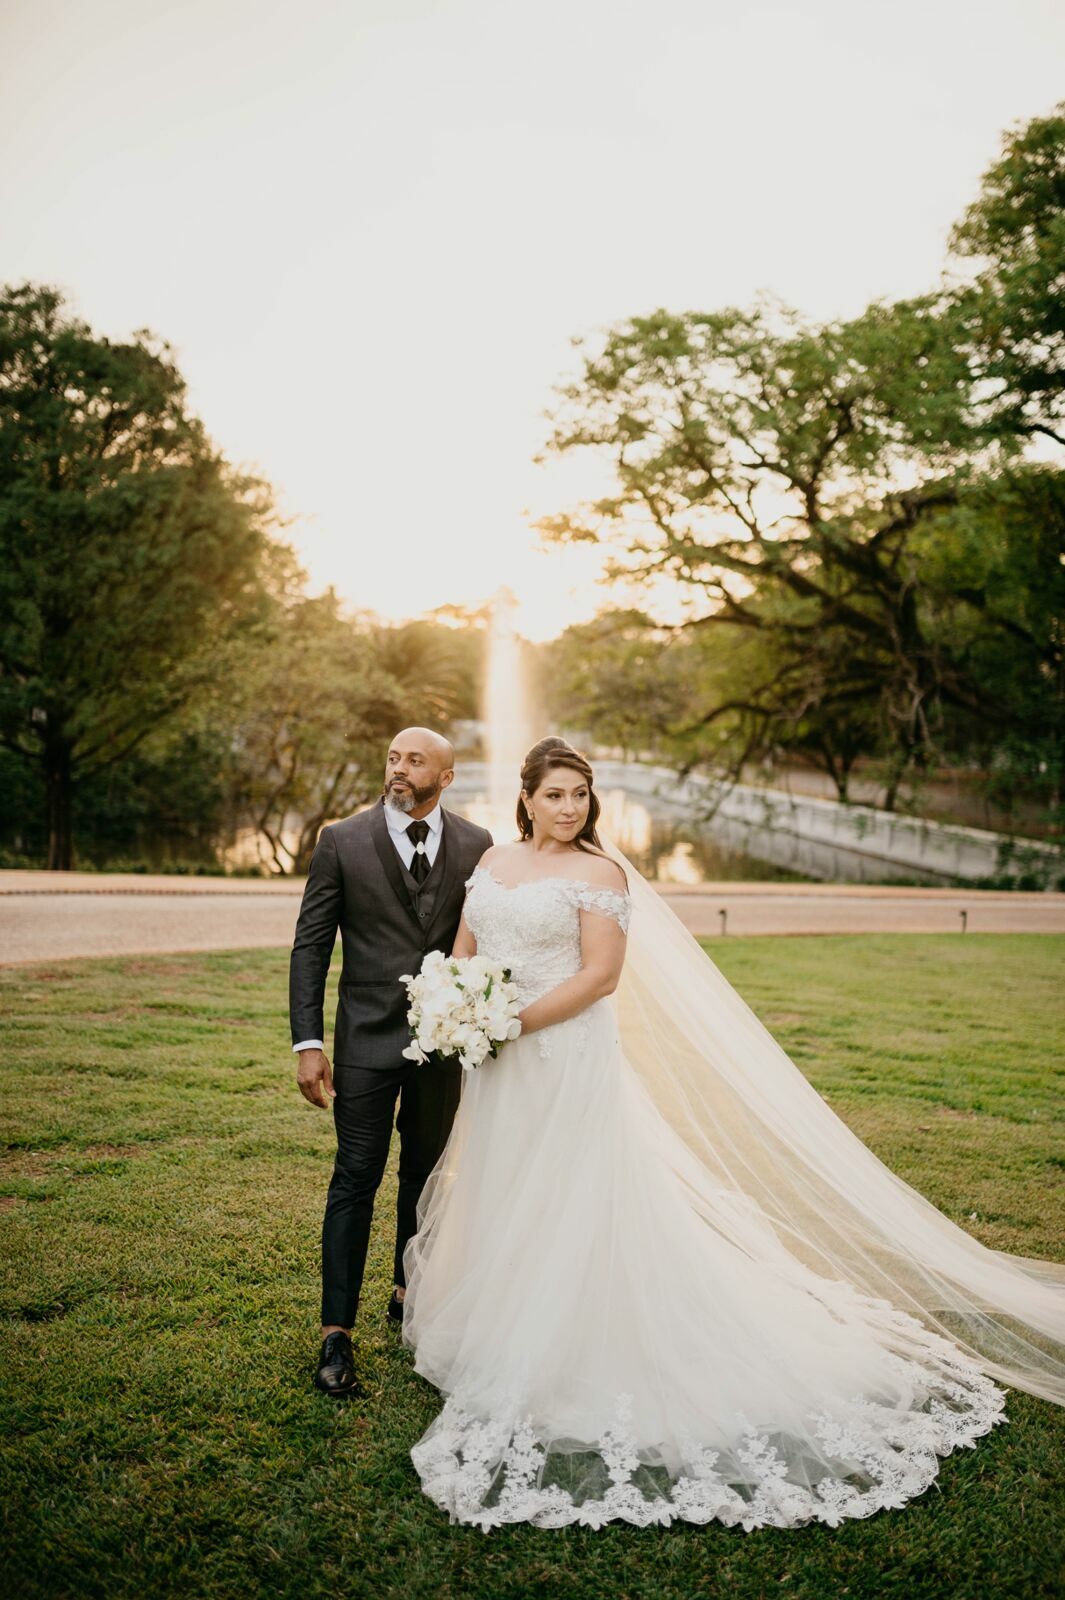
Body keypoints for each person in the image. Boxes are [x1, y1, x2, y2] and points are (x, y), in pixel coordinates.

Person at [400, 737, 1065, 1531]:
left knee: (572, 1190)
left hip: (561, 1052)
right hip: (497, 1062)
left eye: (580, 794)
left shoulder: (600, 873)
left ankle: (572, 1339)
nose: (569, 808)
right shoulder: (496, 863)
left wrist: (508, 1020)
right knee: (505, 1183)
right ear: (526, 798)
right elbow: (465, 951)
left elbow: (599, 977)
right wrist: (457, 1006)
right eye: (554, 795)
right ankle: (499, 1322)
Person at [289, 728, 492, 1397]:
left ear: (447, 775)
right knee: (355, 1175)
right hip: (366, 1042)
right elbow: (311, 947)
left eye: (414, 761)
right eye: (393, 758)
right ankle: (335, 1334)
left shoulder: (476, 845)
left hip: (444, 1045)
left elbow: (485, 945)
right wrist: (309, 1042)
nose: (399, 770)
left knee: (426, 1173)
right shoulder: (340, 841)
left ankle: (408, 1294)